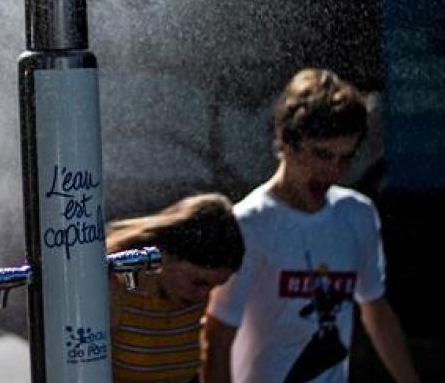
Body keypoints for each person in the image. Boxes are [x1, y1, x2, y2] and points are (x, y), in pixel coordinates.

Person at [202, 69, 421, 383]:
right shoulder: (249, 224)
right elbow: (216, 337)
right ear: (287, 142)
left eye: (345, 158)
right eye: (322, 155)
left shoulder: (357, 214)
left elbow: (376, 309)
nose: (333, 171)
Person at [106, 193, 245, 383]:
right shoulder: (116, 289)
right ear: (165, 255)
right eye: (199, 282)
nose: (205, 295)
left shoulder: (194, 304)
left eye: (215, 286)